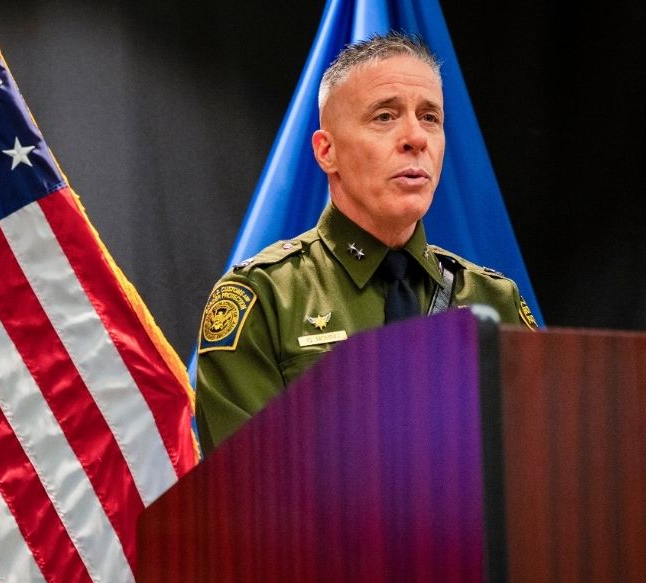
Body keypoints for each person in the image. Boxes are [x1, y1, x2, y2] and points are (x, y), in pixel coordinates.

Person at [195, 31, 538, 453]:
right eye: (385, 117)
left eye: (430, 117)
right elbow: (244, 497)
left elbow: (541, 473)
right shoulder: (264, 300)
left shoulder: (493, 300)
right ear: (327, 152)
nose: (416, 138)